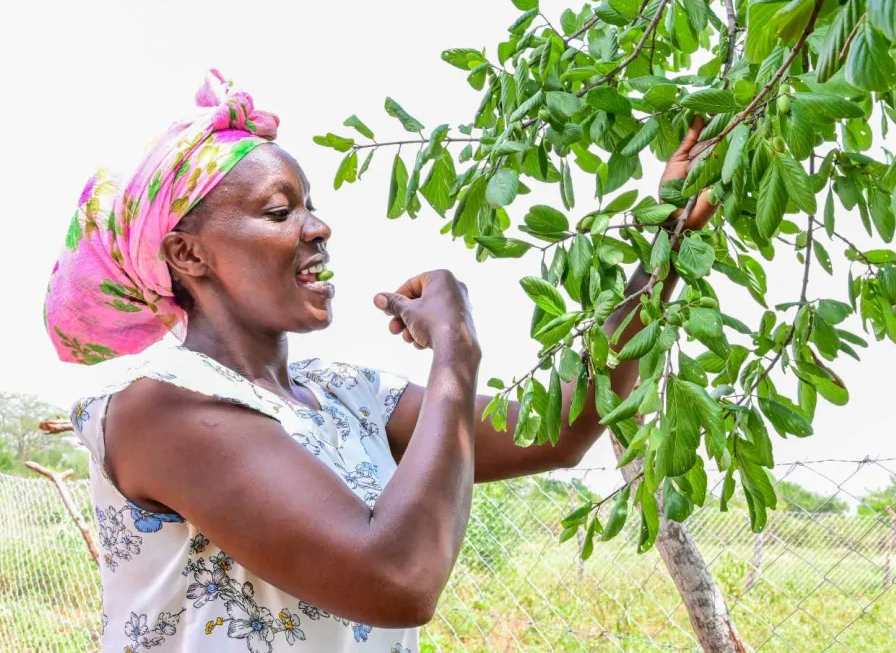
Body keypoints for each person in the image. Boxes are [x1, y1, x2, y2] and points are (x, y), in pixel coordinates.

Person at [44, 69, 715, 653]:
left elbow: (564, 428)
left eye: (311, 206)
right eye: (279, 211)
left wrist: (668, 236)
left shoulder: (341, 394)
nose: (318, 227)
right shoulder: (163, 406)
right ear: (188, 255)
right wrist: (455, 352)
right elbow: (397, 579)